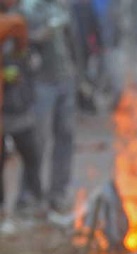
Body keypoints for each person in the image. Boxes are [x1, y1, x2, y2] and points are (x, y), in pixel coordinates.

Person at [21, 0, 79, 216]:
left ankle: (58, 192)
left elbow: (73, 43)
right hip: (42, 83)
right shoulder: (28, 8)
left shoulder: (62, 8)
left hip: (65, 79)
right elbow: (20, 43)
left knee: (66, 136)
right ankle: (30, 194)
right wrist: (39, 35)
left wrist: (79, 76)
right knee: (37, 140)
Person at [0, 0, 43, 229]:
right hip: (5, 108)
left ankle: (30, 202)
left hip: (18, 105)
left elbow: (24, 51)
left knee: (31, 153)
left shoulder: (18, 21)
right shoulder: (13, 21)